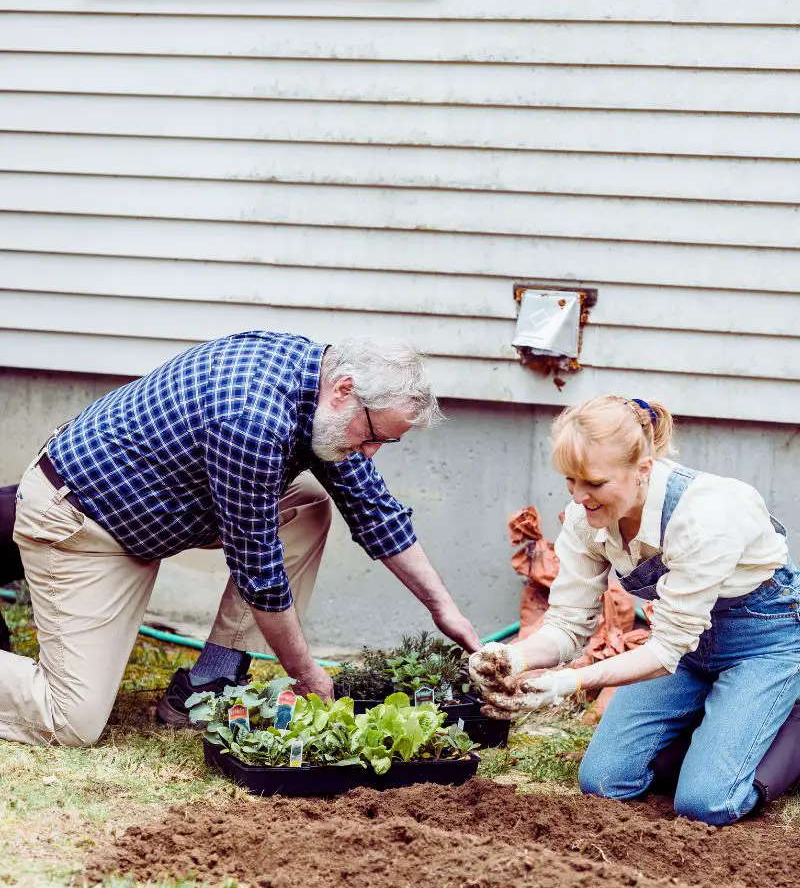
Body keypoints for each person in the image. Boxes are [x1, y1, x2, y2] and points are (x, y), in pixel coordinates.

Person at [8, 331, 480, 747]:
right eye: (376, 435)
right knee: (69, 719)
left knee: (308, 506)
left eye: (386, 443)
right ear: (344, 391)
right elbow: (260, 574)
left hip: (152, 509)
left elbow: (373, 508)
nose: (373, 451)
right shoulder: (252, 417)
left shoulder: (318, 388)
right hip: (84, 524)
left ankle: (210, 680)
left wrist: (444, 609)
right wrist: (306, 674)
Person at [470, 395, 800, 826]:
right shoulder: (586, 519)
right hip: (689, 650)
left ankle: (784, 724)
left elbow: (664, 651)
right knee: (604, 781)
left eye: (593, 483)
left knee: (706, 804)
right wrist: (515, 657)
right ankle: (720, 730)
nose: (579, 496)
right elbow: (569, 624)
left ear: (642, 469)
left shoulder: (706, 515)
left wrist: (569, 683)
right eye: (571, 480)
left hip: (764, 645)